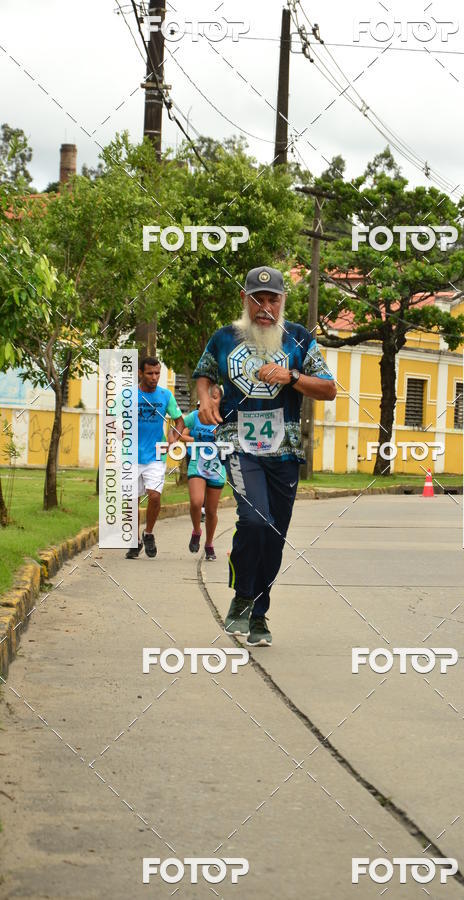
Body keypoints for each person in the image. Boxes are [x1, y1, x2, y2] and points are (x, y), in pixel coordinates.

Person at [193, 266, 337, 646]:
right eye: (257, 298)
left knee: (275, 534)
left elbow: (328, 389)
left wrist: (291, 377)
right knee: (255, 519)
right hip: (238, 444)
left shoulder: (300, 340)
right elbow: (204, 374)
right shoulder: (224, 338)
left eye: (272, 299)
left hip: (284, 450)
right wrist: (205, 397)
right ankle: (241, 599)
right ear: (245, 300)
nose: (265, 306)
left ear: (282, 302)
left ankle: (259, 614)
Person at [126, 356, 184, 560]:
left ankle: (148, 533)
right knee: (131, 501)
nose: (154, 377)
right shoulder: (128, 395)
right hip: (130, 456)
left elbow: (179, 421)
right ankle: (135, 540)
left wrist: (173, 437)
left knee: (155, 497)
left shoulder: (165, 395)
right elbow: (113, 418)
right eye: (150, 373)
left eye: (157, 373)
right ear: (140, 373)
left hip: (155, 455)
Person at [177, 386, 225, 558]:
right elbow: (179, 428)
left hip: (217, 466)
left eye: (215, 397)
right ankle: (197, 531)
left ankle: (209, 543)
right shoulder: (194, 416)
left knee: (211, 511)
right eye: (208, 396)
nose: (211, 399)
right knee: (196, 502)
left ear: (220, 400)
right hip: (197, 462)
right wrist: (172, 437)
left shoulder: (225, 418)